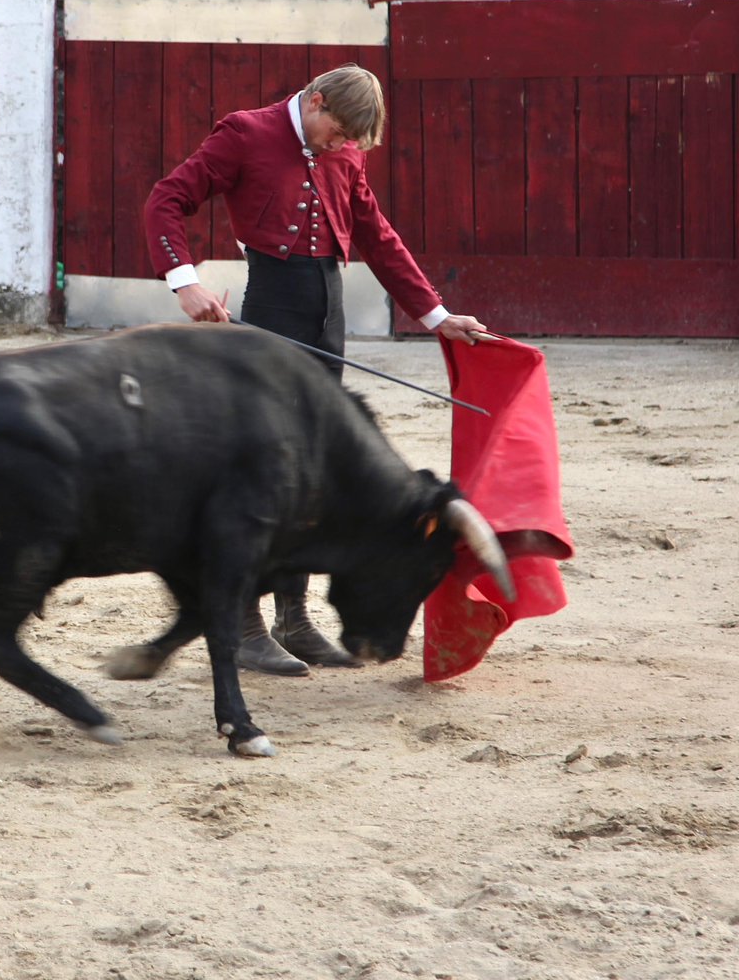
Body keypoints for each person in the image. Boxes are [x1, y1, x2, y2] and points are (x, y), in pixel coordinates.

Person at [145, 63, 486, 676]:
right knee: (261, 468)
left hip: (328, 314)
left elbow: (377, 236)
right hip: (273, 309)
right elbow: (167, 199)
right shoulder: (246, 133)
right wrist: (185, 283)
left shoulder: (345, 152)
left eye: (349, 140)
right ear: (317, 100)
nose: (340, 146)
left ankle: (293, 619)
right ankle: (245, 627)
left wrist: (435, 316)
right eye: (337, 133)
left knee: (315, 468)